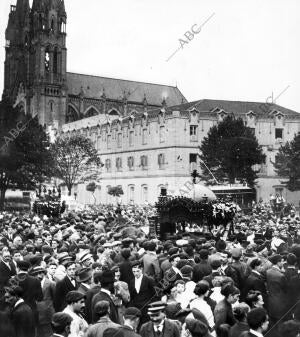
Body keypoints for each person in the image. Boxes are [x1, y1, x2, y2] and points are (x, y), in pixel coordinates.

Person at [31, 266, 56, 337]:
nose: (38, 275)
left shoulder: (51, 283)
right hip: (37, 312)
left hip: (48, 312)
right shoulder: (33, 283)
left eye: (39, 273)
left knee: (49, 332)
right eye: (35, 274)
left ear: (43, 273)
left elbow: (55, 298)